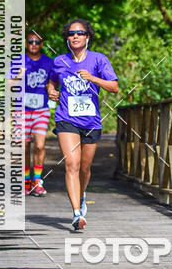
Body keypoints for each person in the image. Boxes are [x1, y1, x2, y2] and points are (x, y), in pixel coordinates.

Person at [46, 19, 118, 231]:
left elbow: (114, 87)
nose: (75, 36)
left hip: (91, 121)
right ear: (67, 38)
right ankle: (77, 213)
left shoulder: (98, 59)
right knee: (72, 164)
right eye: (71, 33)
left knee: (85, 168)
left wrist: (93, 79)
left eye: (80, 32)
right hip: (66, 118)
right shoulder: (59, 61)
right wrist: (51, 90)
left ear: (87, 36)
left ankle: (82, 193)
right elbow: (52, 80)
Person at [9, 29, 55, 196]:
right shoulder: (17, 61)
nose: (33, 45)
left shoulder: (49, 62)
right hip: (21, 110)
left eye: (37, 42)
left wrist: (52, 91)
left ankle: (37, 180)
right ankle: (26, 180)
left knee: (40, 145)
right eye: (30, 42)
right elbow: (8, 86)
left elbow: (53, 83)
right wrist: (18, 77)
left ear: (41, 44)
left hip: (41, 109)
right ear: (26, 43)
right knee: (24, 147)